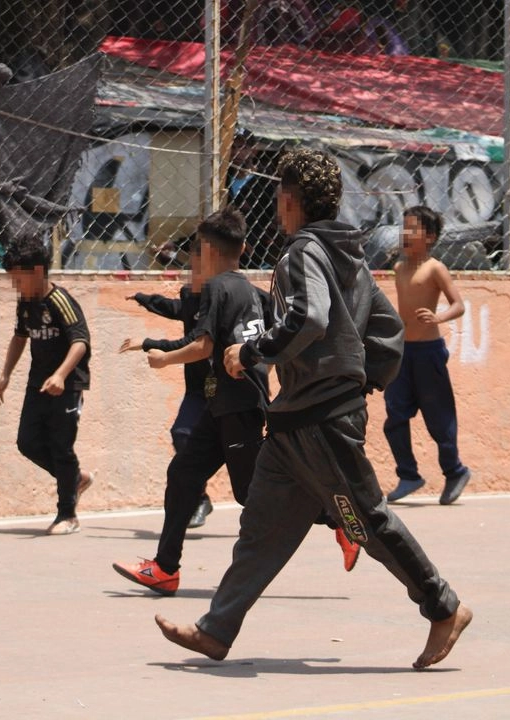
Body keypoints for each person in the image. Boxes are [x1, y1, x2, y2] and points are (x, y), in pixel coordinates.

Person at [154, 149, 471, 670]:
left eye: (279, 199)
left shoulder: (301, 252)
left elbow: (310, 318)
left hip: (322, 421)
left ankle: (444, 606)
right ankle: (215, 630)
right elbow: (387, 329)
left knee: (364, 520)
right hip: (294, 421)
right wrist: (364, 379)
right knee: (260, 529)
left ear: (287, 201)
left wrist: (253, 353)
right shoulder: (349, 256)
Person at [111, 208, 272, 595]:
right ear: (243, 247)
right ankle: (165, 568)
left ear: (206, 252)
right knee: (183, 474)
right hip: (222, 405)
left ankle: (340, 521)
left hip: (239, 405)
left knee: (252, 494)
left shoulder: (216, 288)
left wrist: (163, 356)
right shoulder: (253, 291)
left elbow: (203, 345)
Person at [0, 234, 94, 535]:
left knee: (62, 446)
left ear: (36, 272)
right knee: (27, 442)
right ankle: (74, 478)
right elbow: (20, 336)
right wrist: (5, 375)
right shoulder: (25, 301)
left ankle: (67, 515)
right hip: (38, 384)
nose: (14, 286)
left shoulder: (60, 300)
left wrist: (61, 374)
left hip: (68, 384)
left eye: (18, 279)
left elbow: (80, 343)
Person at [382, 206, 472, 505]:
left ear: (430, 236)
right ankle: (408, 475)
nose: (405, 234)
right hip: (402, 353)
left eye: (413, 229)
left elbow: (458, 304)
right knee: (395, 414)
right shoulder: (398, 268)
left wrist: (440, 318)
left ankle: (455, 471)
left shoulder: (435, 268)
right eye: (403, 227)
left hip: (428, 353)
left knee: (439, 418)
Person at [122, 254, 214, 529]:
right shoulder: (190, 295)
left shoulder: (219, 298)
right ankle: (199, 499)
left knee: (242, 461)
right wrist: (144, 299)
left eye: (198, 271)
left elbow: (194, 341)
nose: (191, 276)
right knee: (182, 434)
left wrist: (148, 343)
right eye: (190, 270)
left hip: (226, 389)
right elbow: (176, 308)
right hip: (198, 390)